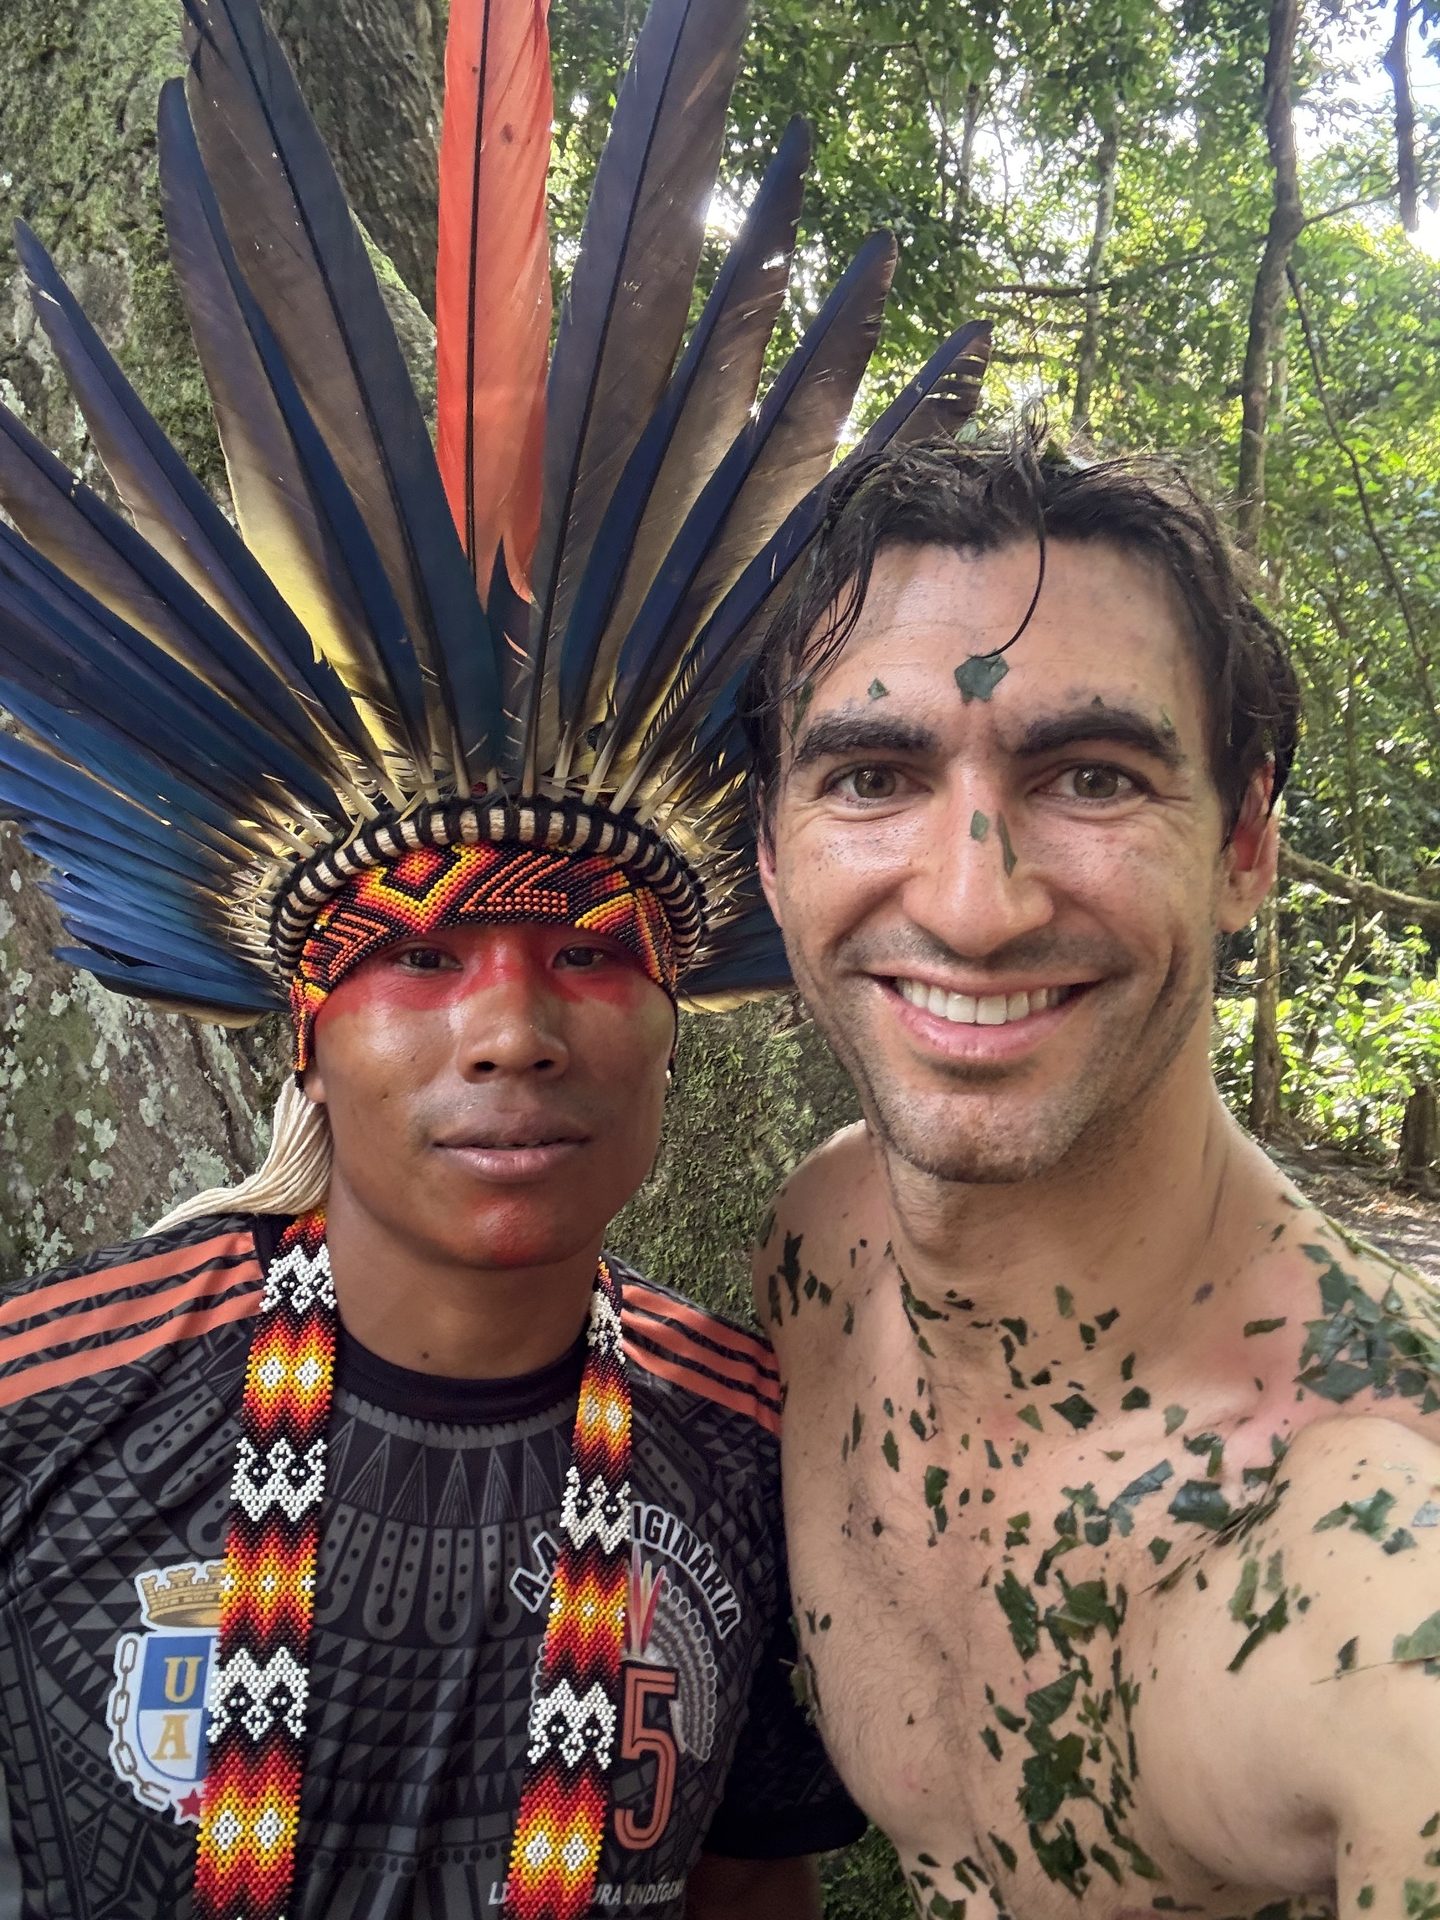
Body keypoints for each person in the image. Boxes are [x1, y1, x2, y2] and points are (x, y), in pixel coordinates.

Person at [0, 0, 990, 1913]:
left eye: (590, 952)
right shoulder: (45, 1411)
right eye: (417, 955)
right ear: (302, 1033)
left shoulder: (755, 1437)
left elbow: (756, 1885)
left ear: (680, 1018)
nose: (516, 1029)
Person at [745, 435, 1440, 1920]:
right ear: (768, 853)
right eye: (873, 775)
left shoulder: (1380, 1569)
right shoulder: (822, 1252)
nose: (970, 902)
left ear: (1245, 843)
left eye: (1095, 776)